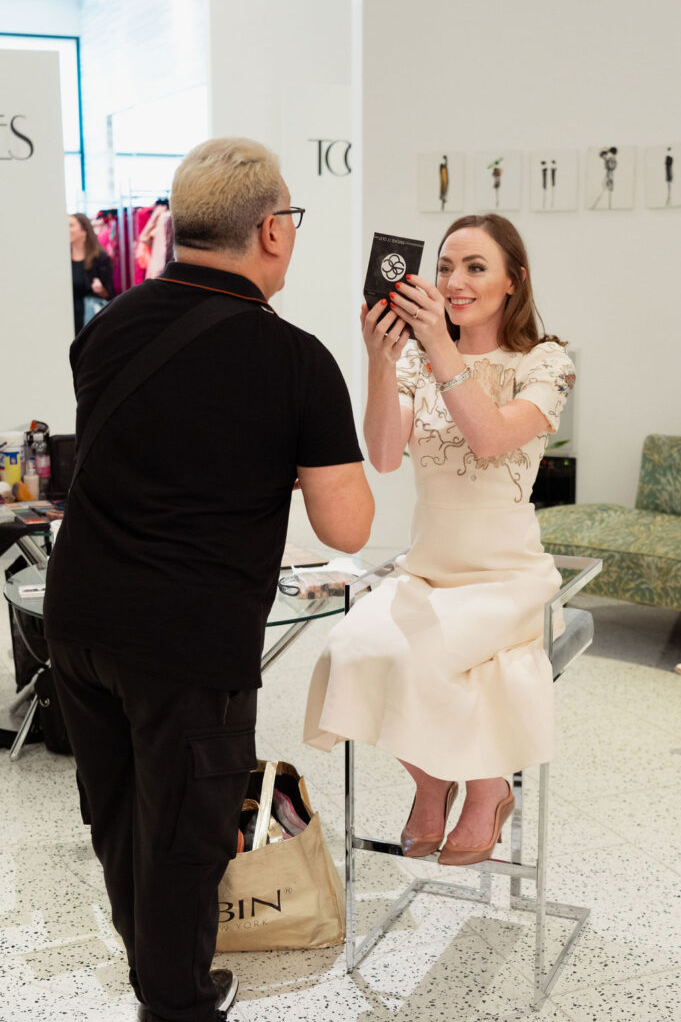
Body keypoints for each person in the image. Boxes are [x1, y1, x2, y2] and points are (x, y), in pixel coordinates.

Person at [45, 137, 373, 1022]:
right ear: (272, 230)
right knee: (188, 835)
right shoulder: (297, 361)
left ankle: (156, 978)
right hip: (187, 639)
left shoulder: (104, 330)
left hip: (76, 617)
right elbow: (348, 528)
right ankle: (177, 1003)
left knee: (116, 813)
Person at [304, 214, 575, 867]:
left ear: (514, 281)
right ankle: (431, 781)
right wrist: (379, 358)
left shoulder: (544, 362)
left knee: (422, 658)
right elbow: (383, 452)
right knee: (352, 647)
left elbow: (488, 437)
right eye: (446, 266)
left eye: (476, 267)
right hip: (426, 570)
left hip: (506, 573)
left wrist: (438, 349)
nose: (455, 281)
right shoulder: (415, 363)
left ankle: (483, 789)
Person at [69, 212, 114, 333]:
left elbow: (110, 294)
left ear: (84, 229)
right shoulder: (63, 259)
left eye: (71, 225)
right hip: (68, 317)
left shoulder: (100, 258)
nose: (66, 229)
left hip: (90, 319)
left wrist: (101, 290)